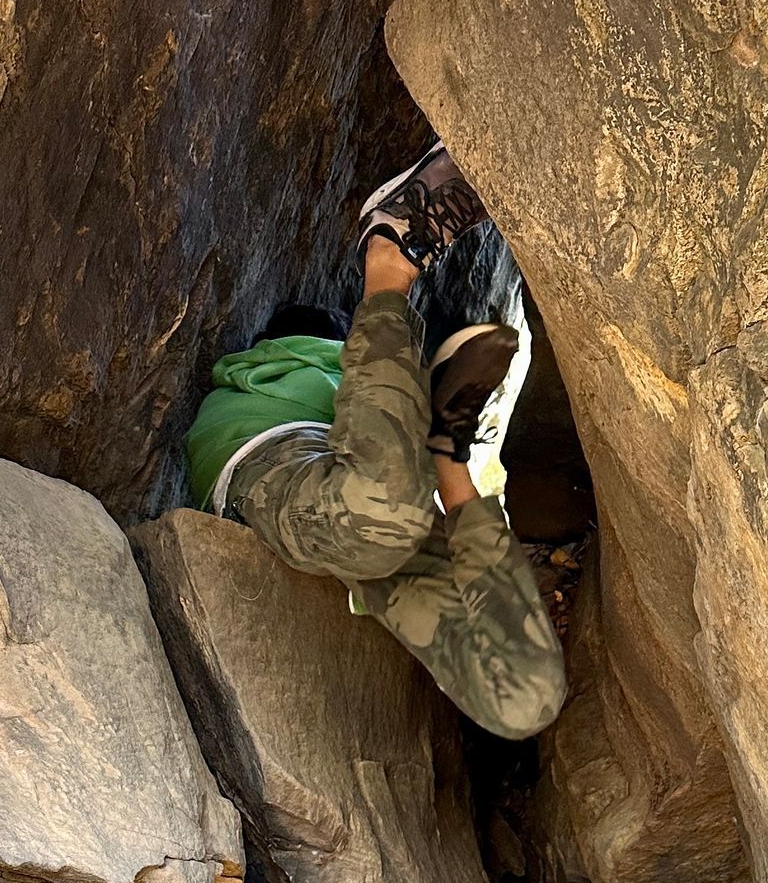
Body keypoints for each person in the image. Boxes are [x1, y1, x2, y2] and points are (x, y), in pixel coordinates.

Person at [184, 143, 567, 741]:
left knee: (528, 702)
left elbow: (373, 421)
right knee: (385, 510)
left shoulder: (343, 379)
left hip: (369, 532)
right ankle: (388, 257)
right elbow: (364, 404)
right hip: (277, 461)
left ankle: (450, 461)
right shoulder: (271, 374)